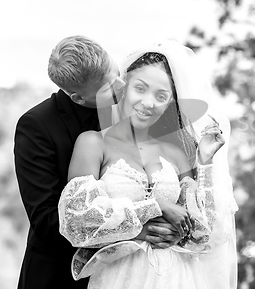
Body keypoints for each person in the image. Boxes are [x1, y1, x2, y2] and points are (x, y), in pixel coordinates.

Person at [58, 40, 238, 289]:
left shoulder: (177, 151)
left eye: (161, 96)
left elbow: (205, 234)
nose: (148, 102)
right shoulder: (93, 143)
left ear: (170, 103)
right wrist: (156, 207)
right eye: (140, 89)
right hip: (119, 279)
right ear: (124, 88)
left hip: (179, 279)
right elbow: (77, 223)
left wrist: (205, 163)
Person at [14, 36, 182, 289]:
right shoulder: (37, 126)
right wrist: (138, 227)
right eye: (107, 88)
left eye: (117, 74)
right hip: (60, 275)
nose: (121, 87)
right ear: (78, 98)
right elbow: (47, 221)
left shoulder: (134, 108)